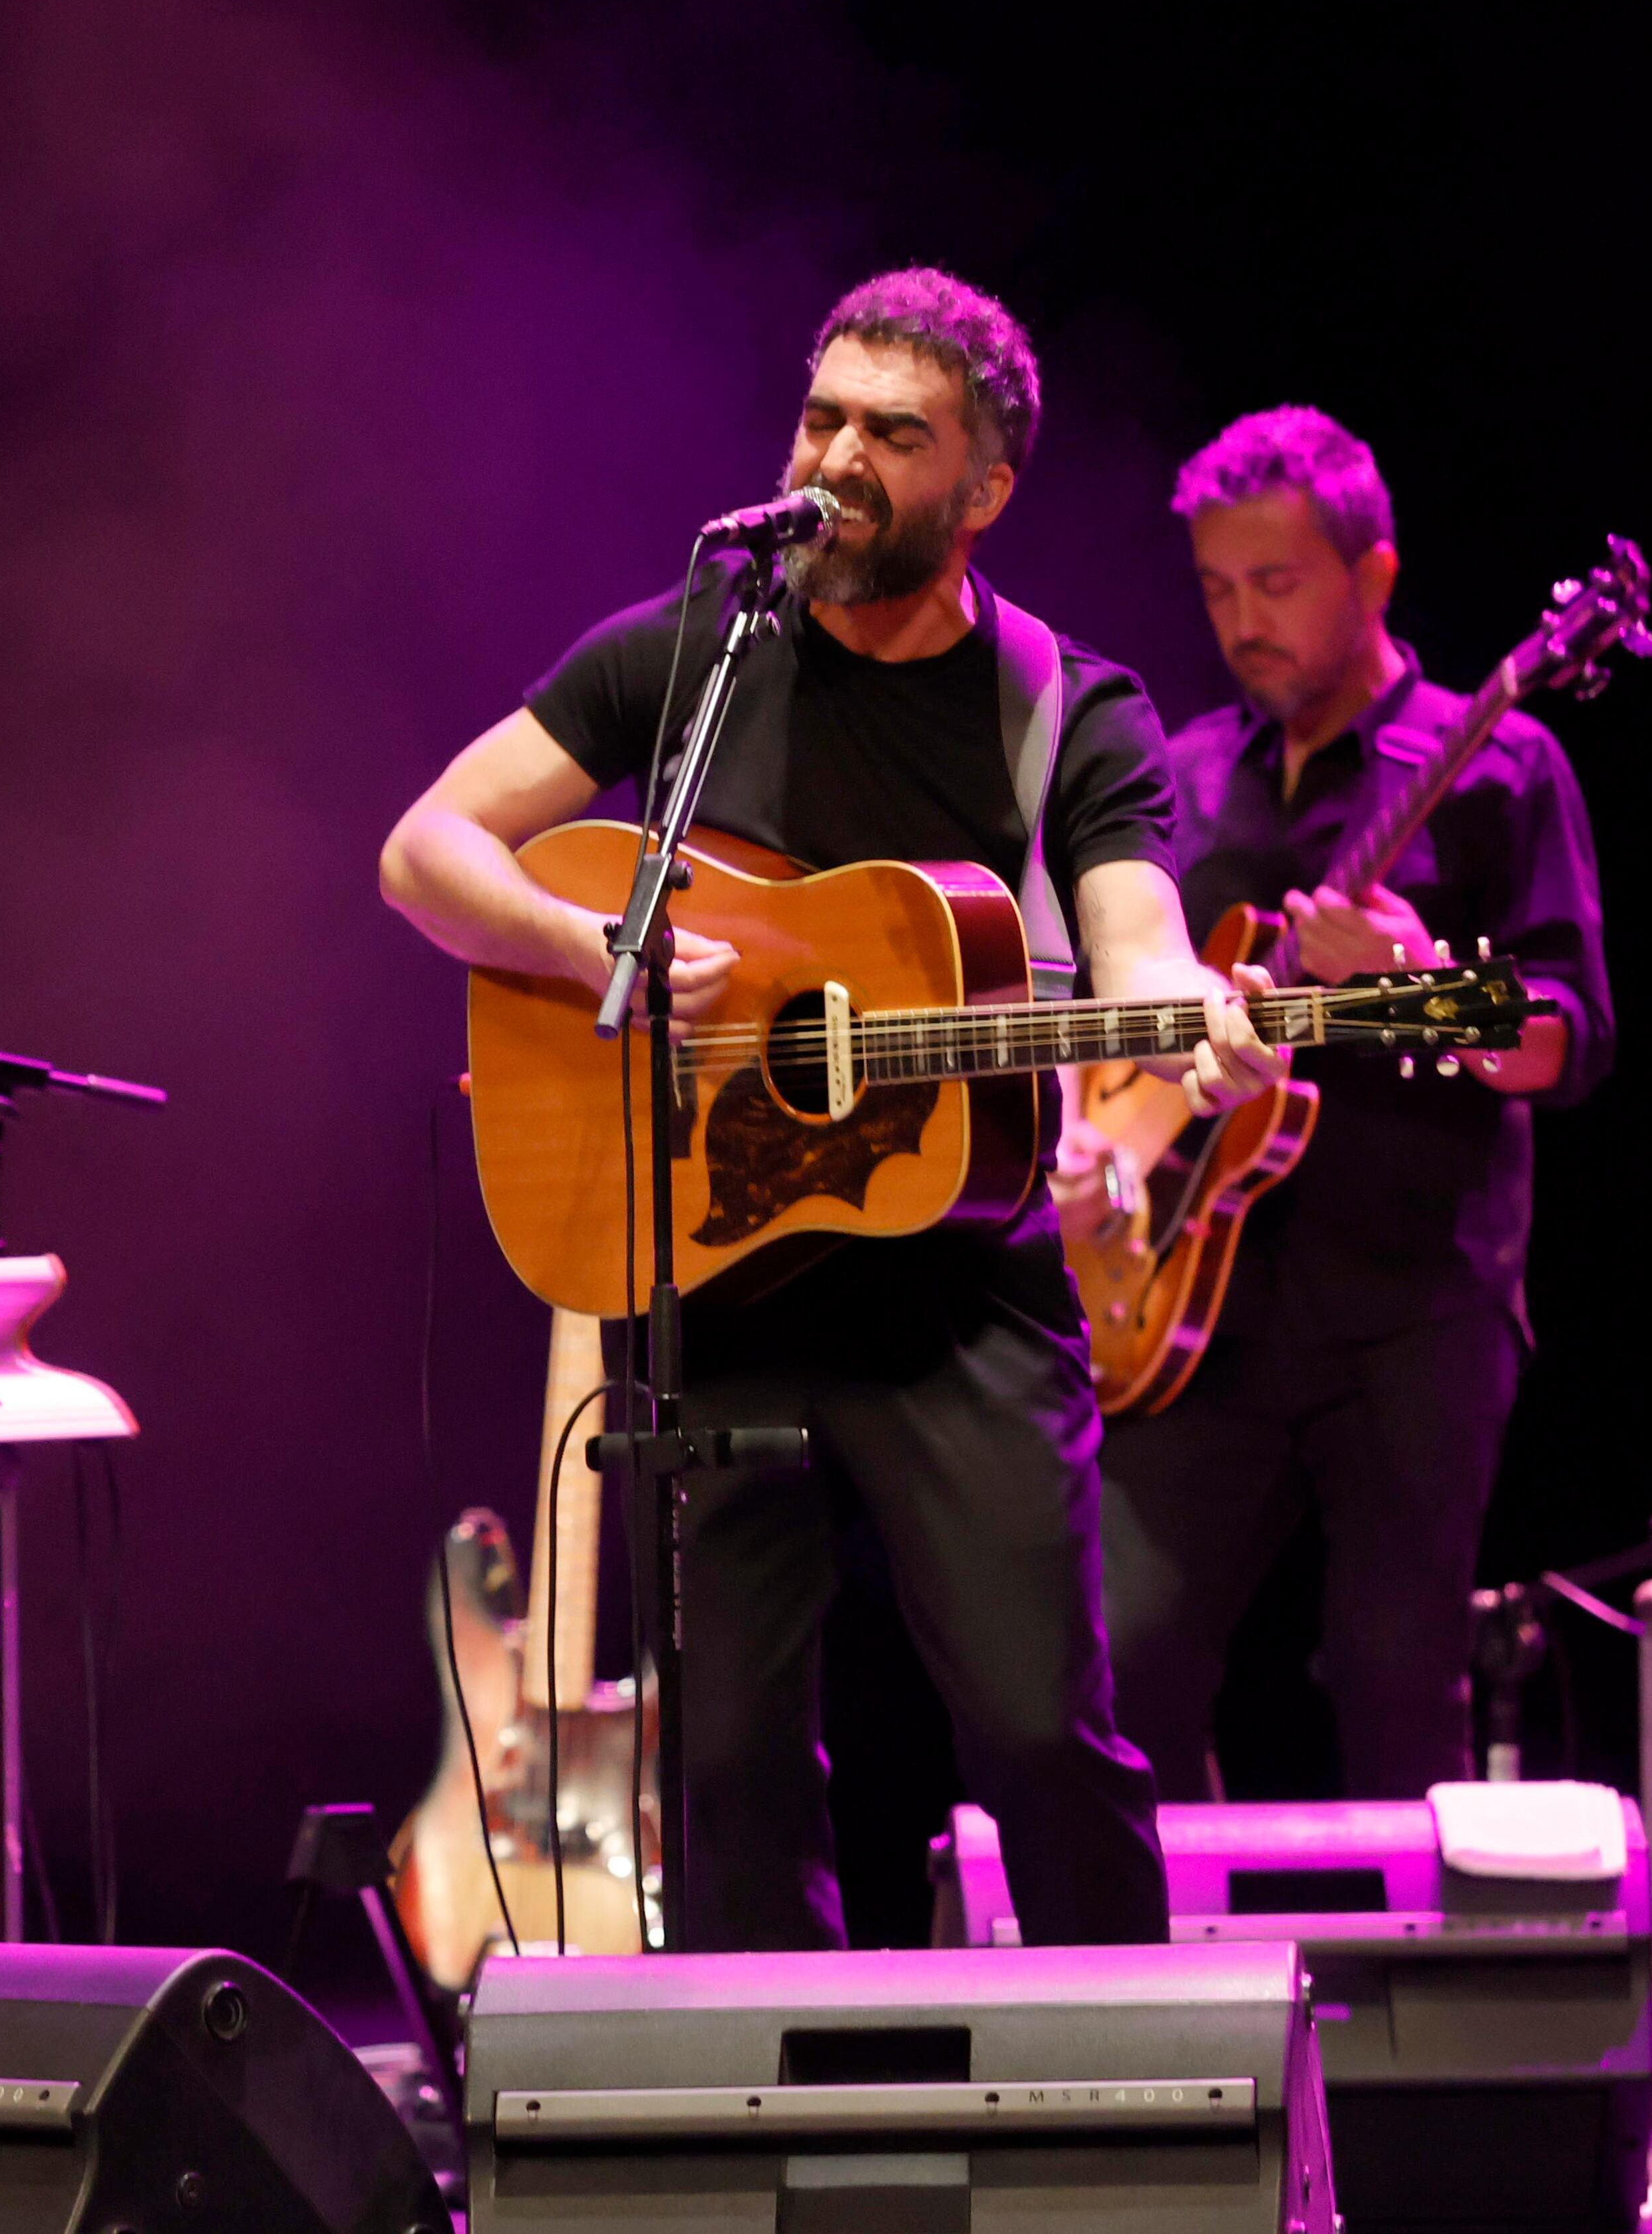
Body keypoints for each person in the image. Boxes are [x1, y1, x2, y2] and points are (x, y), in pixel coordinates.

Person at [378, 268, 1288, 1950]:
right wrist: (604, 949)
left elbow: (1132, 936)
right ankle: (765, 2139)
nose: (839, 457)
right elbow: (424, 851)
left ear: (984, 487)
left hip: (963, 1294)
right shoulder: (693, 651)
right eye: (823, 417)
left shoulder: (1066, 709)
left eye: (894, 431)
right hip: (720, 1269)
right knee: (722, 1765)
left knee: (1036, 1733)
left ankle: (1140, 2125)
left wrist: (1200, 1011)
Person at [1073, 408, 1613, 1802]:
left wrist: (1428, 978)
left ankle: (1392, 2014)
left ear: (1371, 577)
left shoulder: (1498, 765)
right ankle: (1163, 1997)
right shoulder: (1179, 781)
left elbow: (1567, 1043)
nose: (1239, 621)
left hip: (1414, 1308)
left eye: (1276, 582)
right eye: (1213, 588)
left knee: (1386, 1674)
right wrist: (1094, 1148)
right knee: (1121, 1665)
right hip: (1197, 1312)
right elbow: (1107, 1026)